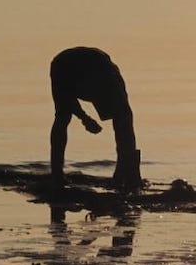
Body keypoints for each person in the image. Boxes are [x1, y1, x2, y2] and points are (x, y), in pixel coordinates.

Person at [49, 46, 141, 189]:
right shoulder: (66, 72)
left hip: (99, 65)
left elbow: (125, 125)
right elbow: (67, 100)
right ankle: (56, 175)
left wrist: (124, 172)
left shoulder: (114, 83)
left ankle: (126, 173)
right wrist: (84, 118)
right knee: (62, 116)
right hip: (64, 65)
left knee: (124, 119)